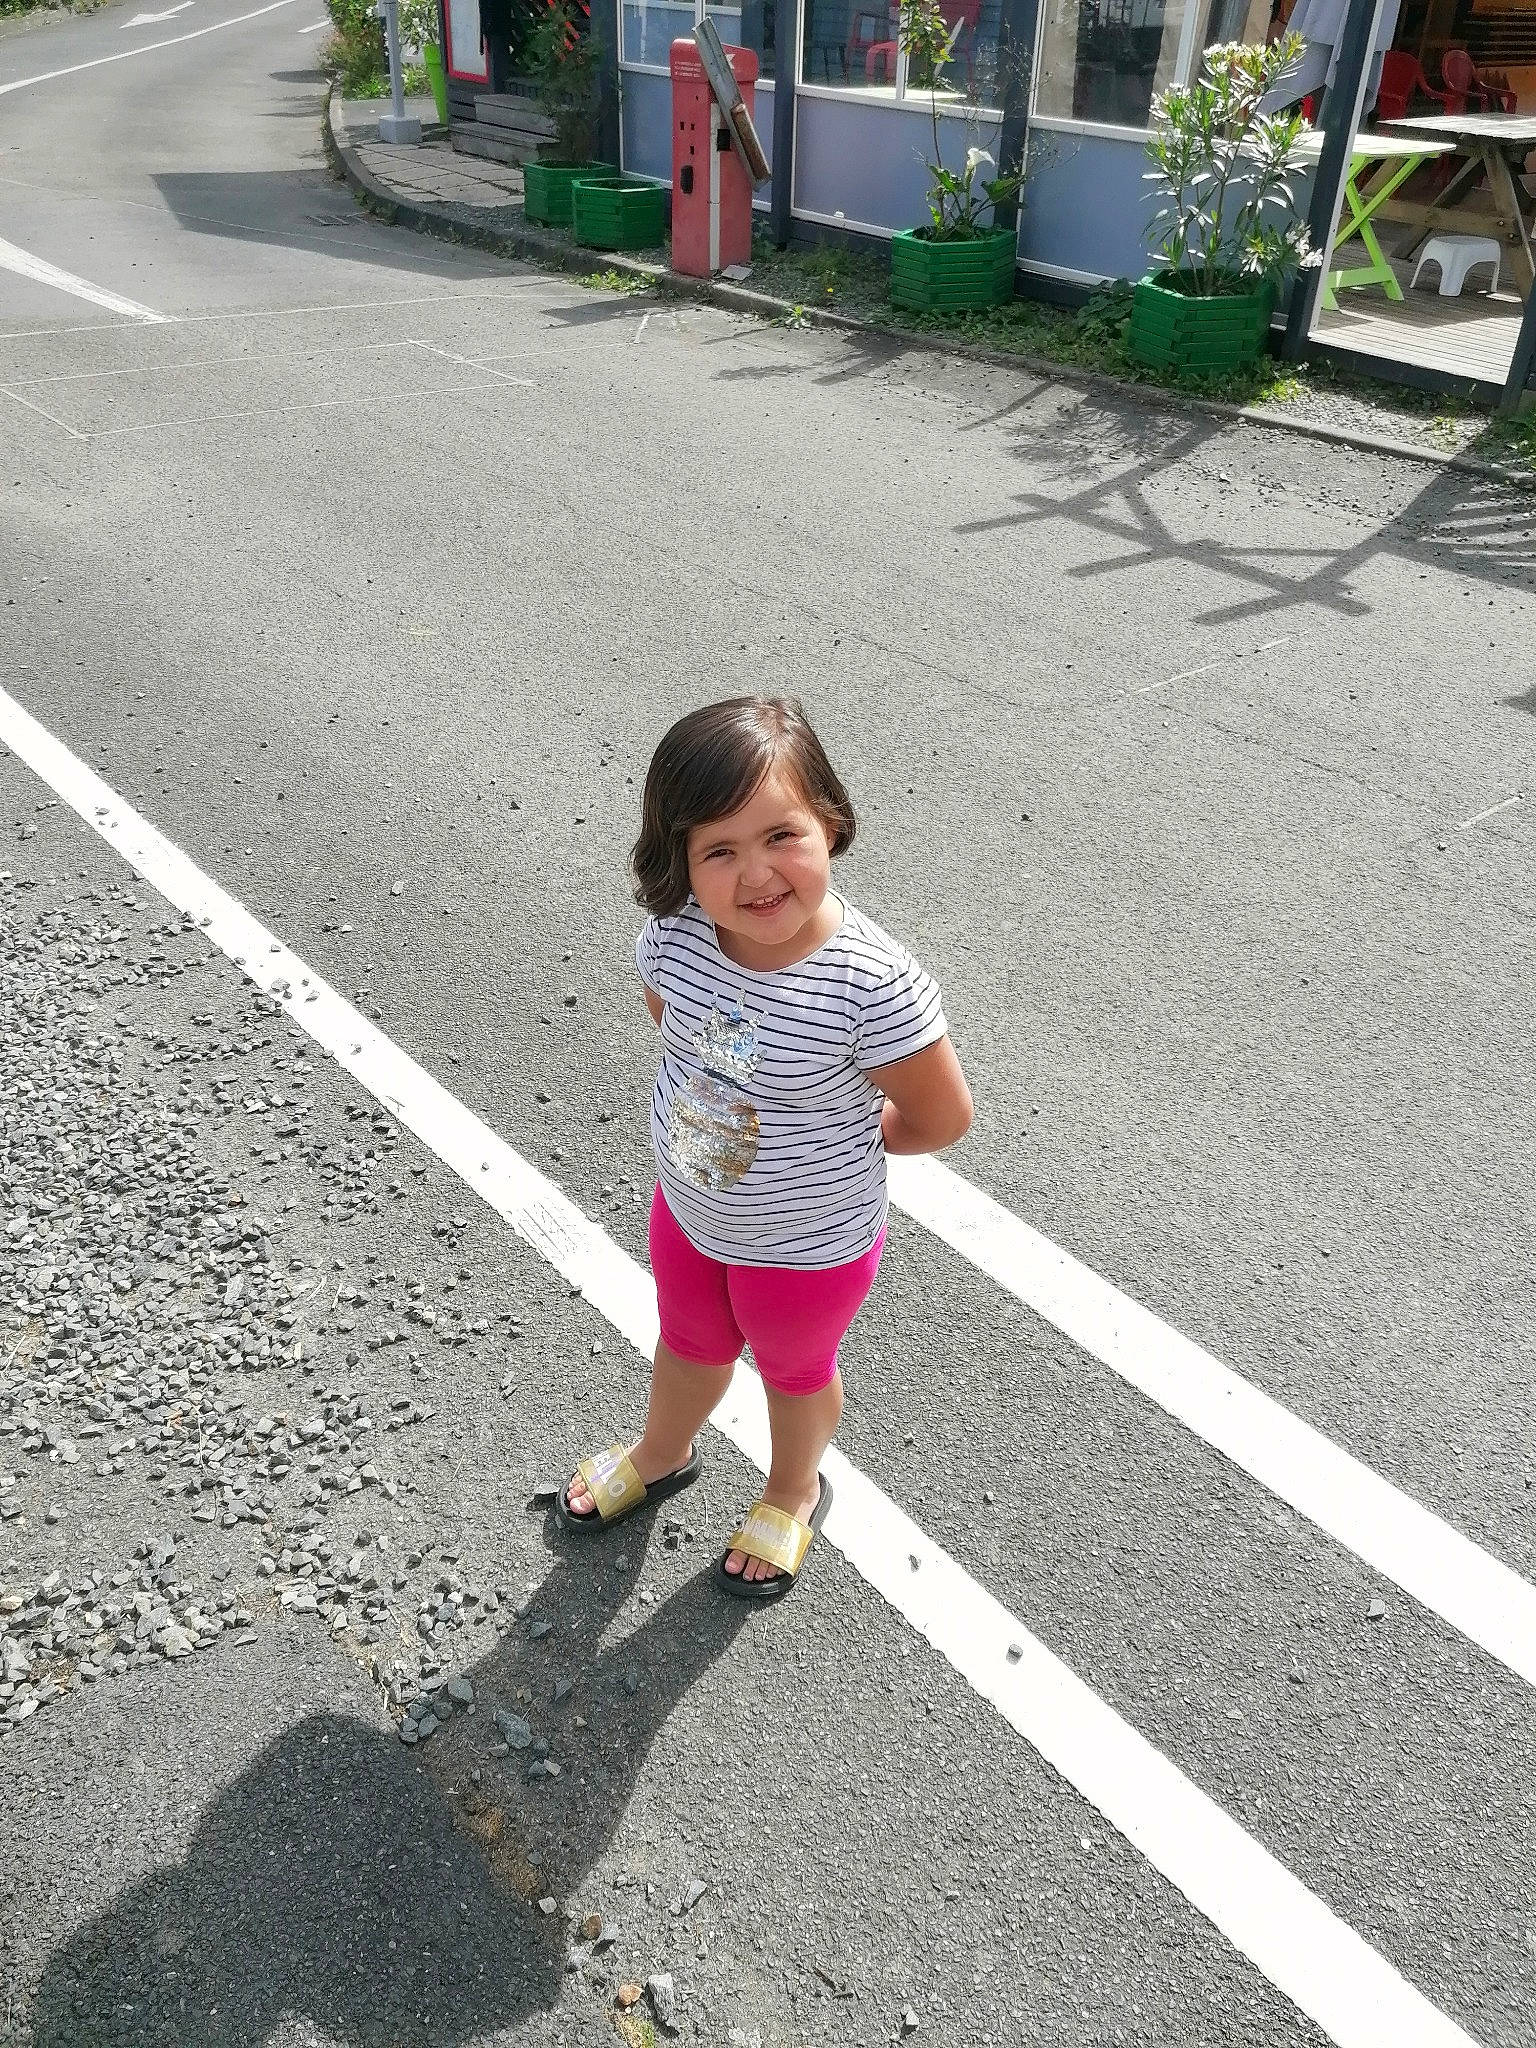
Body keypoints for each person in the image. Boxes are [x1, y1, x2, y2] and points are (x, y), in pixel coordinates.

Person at [559, 695, 974, 1601]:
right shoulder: (678, 937)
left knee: (793, 1372)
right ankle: (663, 1451)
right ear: (678, 860)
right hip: (690, 1208)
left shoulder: (872, 986)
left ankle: (793, 1488)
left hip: (809, 1243)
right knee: (687, 1341)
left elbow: (940, 1117)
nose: (755, 874)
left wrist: (851, 1141)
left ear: (830, 823)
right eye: (718, 850)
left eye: (781, 835)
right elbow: (673, 1024)